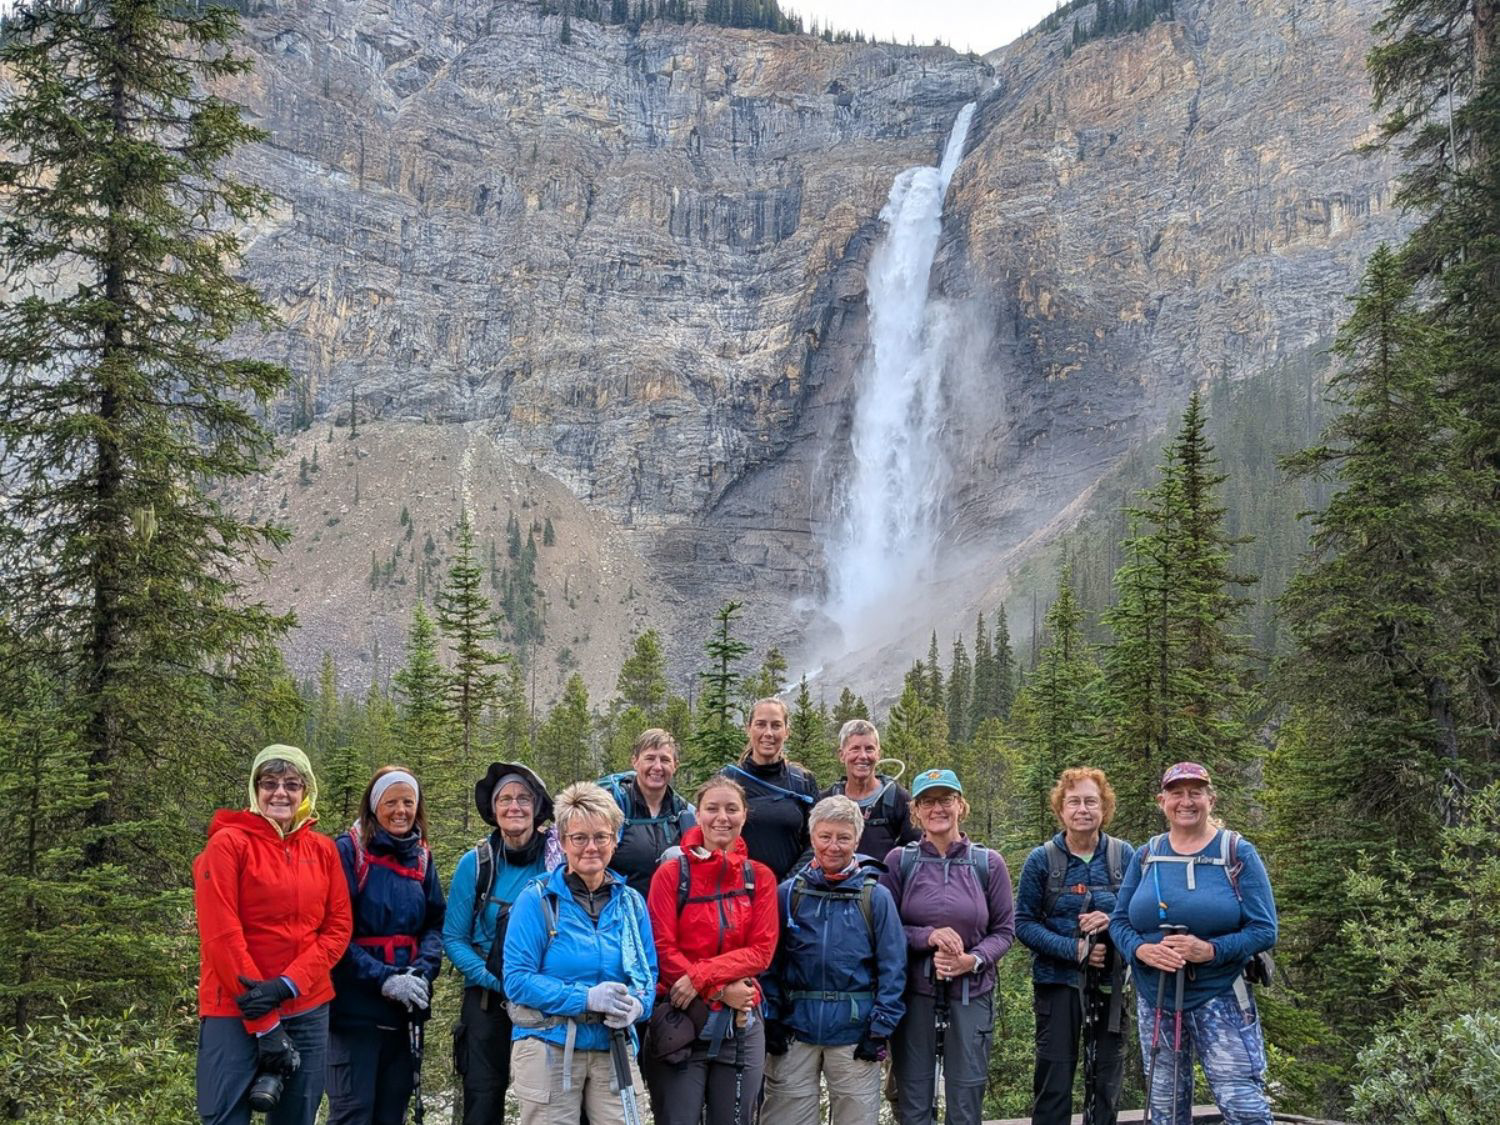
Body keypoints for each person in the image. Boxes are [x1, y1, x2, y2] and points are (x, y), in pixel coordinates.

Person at [1109, 762, 1278, 1125]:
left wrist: (1211, 951)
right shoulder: (1146, 855)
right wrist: (1141, 951)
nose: (1186, 801)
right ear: (1162, 801)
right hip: (1156, 998)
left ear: (1210, 799)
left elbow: (1265, 929)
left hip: (1222, 996)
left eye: (1195, 793)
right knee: (1166, 1111)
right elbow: (1119, 922)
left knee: (1243, 1107)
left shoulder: (1236, 853)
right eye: (1176, 793)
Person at [193, 745, 353, 1125]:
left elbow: (337, 927)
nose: (280, 792)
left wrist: (287, 985)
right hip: (234, 1008)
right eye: (269, 783)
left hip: (306, 1006)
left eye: (291, 784)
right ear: (255, 789)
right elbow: (221, 936)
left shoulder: (323, 850)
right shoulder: (228, 844)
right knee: (226, 1117)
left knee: (297, 1117)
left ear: (306, 791)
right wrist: (265, 1021)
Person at [503, 781, 658, 1125]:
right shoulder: (538, 900)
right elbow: (516, 981)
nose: (591, 847)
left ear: (615, 840)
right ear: (562, 841)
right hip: (549, 1042)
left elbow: (647, 973)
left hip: (613, 1044)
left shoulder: (631, 903)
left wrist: (637, 1004)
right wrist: (587, 998)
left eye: (601, 836)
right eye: (579, 838)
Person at [761, 795, 906, 1125]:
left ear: (857, 838)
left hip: (855, 1034)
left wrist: (879, 1028)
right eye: (825, 836)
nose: (833, 846)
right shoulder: (788, 894)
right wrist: (772, 1016)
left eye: (843, 837)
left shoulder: (875, 897)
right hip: (795, 1030)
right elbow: (769, 961)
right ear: (812, 838)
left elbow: (893, 967)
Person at [881, 768, 1015, 1125]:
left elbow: (1005, 931)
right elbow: (887, 931)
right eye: (927, 801)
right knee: (913, 1101)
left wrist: (972, 960)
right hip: (914, 995)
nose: (937, 808)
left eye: (946, 799)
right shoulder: (900, 862)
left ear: (961, 805)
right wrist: (928, 936)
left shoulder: (989, 864)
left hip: (972, 993)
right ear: (917, 811)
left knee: (966, 1098)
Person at [643, 774, 778, 1125]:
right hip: (681, 1021)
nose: (722, 817)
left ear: (744, 815)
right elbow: (660, 947)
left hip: (741, 1023)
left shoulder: (759, 877)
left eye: (731, 809)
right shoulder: (672, 874)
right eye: (712, 808)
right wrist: (719, 988)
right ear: (697, 815)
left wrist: (702, 976)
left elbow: (761, 951)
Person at [327, 766, 447, 1125]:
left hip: (405, 1012)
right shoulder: (349, 851)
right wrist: (383, 978)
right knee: (353, 1113)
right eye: (391, 802)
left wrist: (423, 972)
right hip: (354, 1013)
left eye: (408, 802)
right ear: (374, 806)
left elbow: (434, 923)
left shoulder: (421, 857)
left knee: (391, 1115)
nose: (401, 810)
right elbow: (335, 933)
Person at [1014, 768, 1132, 1125]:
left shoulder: (1123, 856)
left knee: (1106, 1084)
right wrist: (1074, 950)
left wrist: (1111, 924)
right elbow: (1024, 925)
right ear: (1061, 809)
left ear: (1104, 807)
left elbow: (1140, 916)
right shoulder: (1042, 860)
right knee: (1054, 1083)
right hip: (1056, 987)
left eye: (1091, 801)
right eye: (1074, 801)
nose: (1083, 809)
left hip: (1111, 988)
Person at [442, 762, 556, 1125]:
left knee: (548, 1102)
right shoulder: (475, 865)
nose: (514, 806)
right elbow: (454, 939)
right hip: (487, 1002)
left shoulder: (556, 862)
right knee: (482, 1098)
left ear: (537, 807)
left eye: (524, 798)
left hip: (545, 1002)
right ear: (493, 809)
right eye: (505, 799)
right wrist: (498, 981)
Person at [727, 698, 819, 880]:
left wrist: (788, 884)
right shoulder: (728, 780)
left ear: (787, 732)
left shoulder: (802, 781)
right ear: (748, 729)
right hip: (739, 893)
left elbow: (816, 841)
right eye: (761, 724)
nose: (768, 733)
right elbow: (713, 838)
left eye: (776, 725)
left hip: (790, 894)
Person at [603, 728, 697, 898]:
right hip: (619, 912)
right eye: (650, 758)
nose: (657, 767)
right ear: (635, 762)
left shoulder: (684, 813)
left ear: (675, 765)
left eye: (665, 760)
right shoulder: (614, 805)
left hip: (668, 914)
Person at [819, 720, 919, 860]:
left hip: (885, 881)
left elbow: (914, 851)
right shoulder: (826, 801)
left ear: (879, 754)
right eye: (855, 749)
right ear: (841, 755)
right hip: (838, 882)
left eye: (869, 749)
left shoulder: (898, 798)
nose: (863, 756)